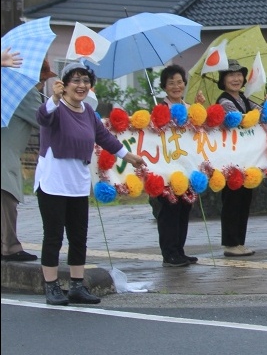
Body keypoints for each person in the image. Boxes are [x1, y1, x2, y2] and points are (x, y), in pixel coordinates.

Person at [35, 58, 147, 305]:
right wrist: (53, 99)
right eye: (75, 80)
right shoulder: (55, 108)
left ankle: (77, 285)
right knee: (53, 236)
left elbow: (104, 137)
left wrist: (128, 157)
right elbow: (43, 118)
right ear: (63, 85)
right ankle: (51, 286)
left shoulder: (87, 112)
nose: (81, 85)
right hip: (53, 181)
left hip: (77, 181)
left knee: (79, 235)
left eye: (86, 80)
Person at [149, 64, 205, 266]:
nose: (176, 86)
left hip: (187, 169)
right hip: (166, 171)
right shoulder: (160, 110)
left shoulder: (190, 109)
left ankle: (179, 250)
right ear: (164, 86)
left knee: (184, 210)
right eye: (171, 83)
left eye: (179, 82)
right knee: (169, 212)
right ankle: (169, 253)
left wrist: (199, 108)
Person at [1, 63, 48, 263]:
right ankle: (10, 247)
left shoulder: (7, 87)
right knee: (7, 201)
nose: (43, 84)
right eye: (43, 79)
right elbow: (45, 121)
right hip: (5, 157)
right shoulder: (26, 93)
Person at [216, 59, 262, 257]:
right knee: (232, 201)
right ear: (223, 79)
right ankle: (230, 243)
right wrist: (256, 113)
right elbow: (242, 121)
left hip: (246, 159)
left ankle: (239, 242)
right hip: (230, 159)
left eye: (239, 75)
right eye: (231, 75)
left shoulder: (244, 97)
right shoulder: (224, 101)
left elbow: (258, 112)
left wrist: (265, 105)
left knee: (244, 199)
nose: (236, 79)